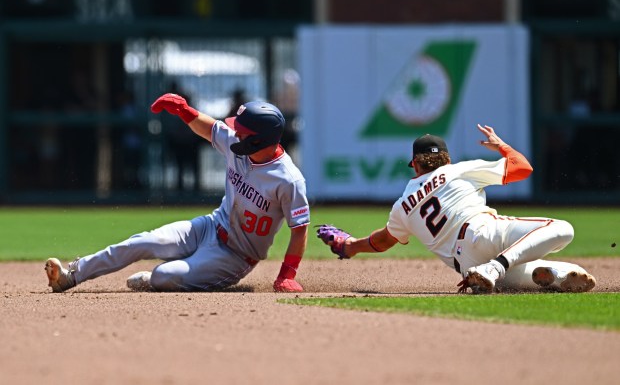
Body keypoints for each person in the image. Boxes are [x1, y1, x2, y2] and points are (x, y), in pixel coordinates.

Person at [45, 93, 310, 293]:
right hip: (209, 227)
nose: (235, 134)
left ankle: (166, 278)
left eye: (241, 132)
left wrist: (287, 274)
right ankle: (71, 276)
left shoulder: (288, 180)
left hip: (234, 256)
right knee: (140, 241)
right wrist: (184, 111)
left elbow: (299, 228)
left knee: (163, 276)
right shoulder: (239, 145)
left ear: (258, 140)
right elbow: (209, 128)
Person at [316, 124, 596, 294]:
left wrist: (349, 245)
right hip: (484, 232)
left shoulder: (403, 205)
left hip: (468, 265)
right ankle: (497, 268)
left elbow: (381, 241)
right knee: (562, 229)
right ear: (446, 158)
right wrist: (502, 146)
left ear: (414, 163)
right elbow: (523, 168)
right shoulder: (458, 170)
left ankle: (555, 276)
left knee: (528, 276)